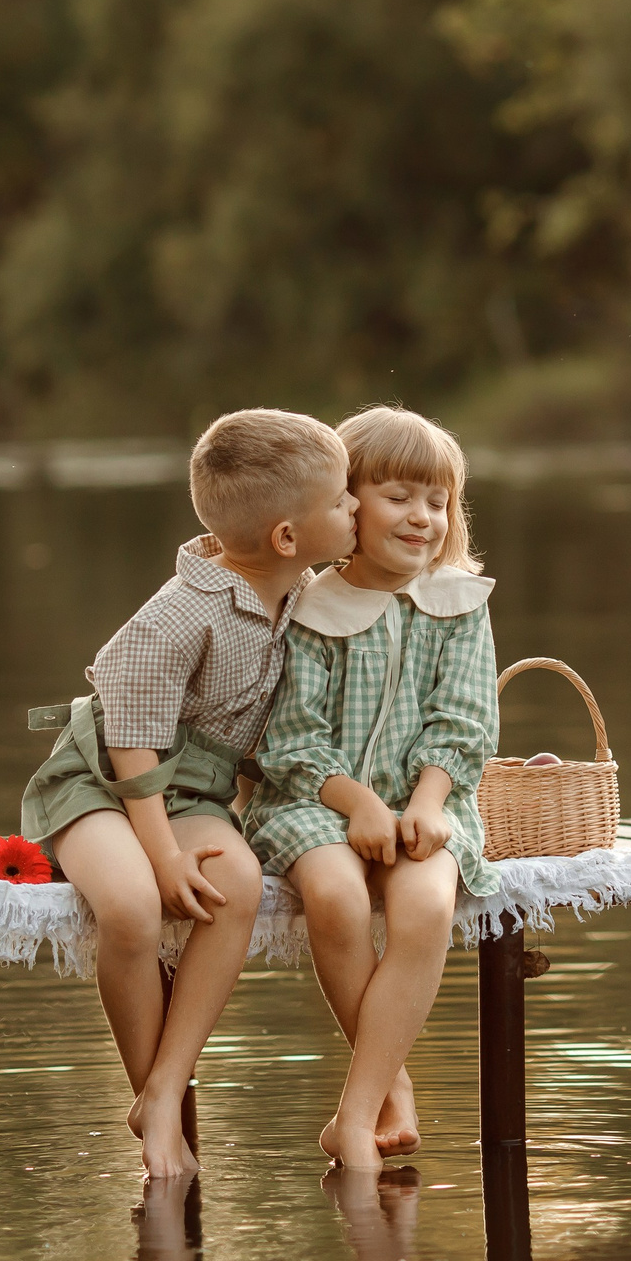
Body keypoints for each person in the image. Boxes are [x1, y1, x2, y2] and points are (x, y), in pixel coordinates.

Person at [21, 408, 358, 1180]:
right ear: (285, 536)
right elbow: (129, 739)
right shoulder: (184, 610)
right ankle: (153, 1097)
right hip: (105, 786)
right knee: (136, 905)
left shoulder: (300, 595)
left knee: (235, 880)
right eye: (342, 499)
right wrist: (164, 853)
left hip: (193, 790)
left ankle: (167, 1085)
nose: (355, 509)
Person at [244, 405, 501, 1173]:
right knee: (337, 896)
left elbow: (464, 716)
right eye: (397, 495)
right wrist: (356, 803)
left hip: (432, 798)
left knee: (425, 907)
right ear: (347, 501)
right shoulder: (309, 609)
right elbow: (290, 736)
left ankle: (353, 1117)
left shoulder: (459, 605)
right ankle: (390, 1087)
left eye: (438, 499)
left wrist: (425, 805)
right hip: (312, 799)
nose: (422, 516)